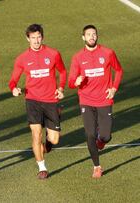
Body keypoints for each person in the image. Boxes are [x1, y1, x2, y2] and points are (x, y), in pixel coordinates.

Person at [8, 24, 67, 179]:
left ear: (43, 37)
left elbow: (62, 71)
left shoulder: (53, 54)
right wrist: (14, 88)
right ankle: (42, 168)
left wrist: (60, 88)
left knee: (54, 139)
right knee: (36, 134)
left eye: (38, 37)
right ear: (27, 38)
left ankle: (49, 140)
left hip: (50, 100)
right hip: (32, 100)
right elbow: (13, 80)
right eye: (33, 37)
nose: (36, 40)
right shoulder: (22, 58)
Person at [68, 25, 123, 178]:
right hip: (86, 101)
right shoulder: (78, 57)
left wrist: (114, 88)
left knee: (106, 136)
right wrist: (76, 82)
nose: (92, 36)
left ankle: (102, 140)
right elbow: (71, 82)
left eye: (94, 34)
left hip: (104, 100)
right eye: (88, 34)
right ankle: (97, 166)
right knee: (89, 134)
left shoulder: (108, 53)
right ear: (83, 37)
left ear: (97, 36)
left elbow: (118, 70)